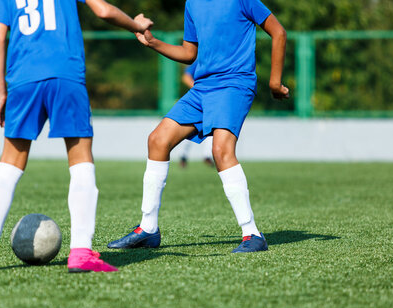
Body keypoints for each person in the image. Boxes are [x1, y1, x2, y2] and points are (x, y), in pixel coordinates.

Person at [0, 0, 153, 273]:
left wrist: (1, 92)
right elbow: (102, 10)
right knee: (80, 161)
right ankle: (80, 252)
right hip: (65, 74)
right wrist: (137, 25)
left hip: (22, 79)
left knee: (8, 165)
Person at [108, 0, 289, 253]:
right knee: (157, 140)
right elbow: (189, 53)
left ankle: (252, 234)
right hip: (203, 88)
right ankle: (148, 229)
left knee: (221, 151)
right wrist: (153, 42)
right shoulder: (192, 3)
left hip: (234, 84)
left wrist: (274, 82)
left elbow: (279, 31)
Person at [178, 61, 214, 169]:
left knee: (211, 128)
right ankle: (183, 156)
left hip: (211, 100)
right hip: (198, 100)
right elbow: (186, 77)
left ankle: (207, 156)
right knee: (190, 128)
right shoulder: (200, 59)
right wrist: (200, 89)